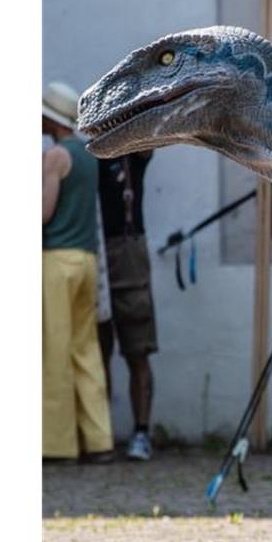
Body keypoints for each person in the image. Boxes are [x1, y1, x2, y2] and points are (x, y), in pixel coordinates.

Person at [42, 81, 114, 463]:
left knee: (54, 350)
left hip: (57, 261)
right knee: (86, 350)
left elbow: (43, 213)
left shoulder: (54, 157)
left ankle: (57, 444)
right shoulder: (88, 155)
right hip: (87, 259)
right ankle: (99, 439)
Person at [97, 150, 159, 461]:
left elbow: (151, 135)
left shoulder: (132, 155)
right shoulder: (78, 154)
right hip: (93, 250)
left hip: (129, 249)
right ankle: (101, 435)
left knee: (138, 348)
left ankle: (141, 432)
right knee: (97, 353)